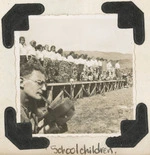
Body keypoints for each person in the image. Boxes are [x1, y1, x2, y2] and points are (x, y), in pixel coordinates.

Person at [20, 58, 47, 133]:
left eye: (45, 84)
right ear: (21, 82)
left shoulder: (29, 104)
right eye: (39, 83)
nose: (44, 88)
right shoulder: (15, 112)